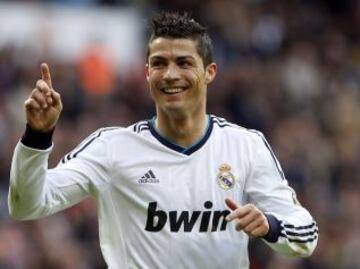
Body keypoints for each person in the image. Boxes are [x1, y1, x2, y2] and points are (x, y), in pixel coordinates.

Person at [8, 11, 318, 269]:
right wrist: (37, 136)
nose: (170, 74)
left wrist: (271, 225)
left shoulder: (245, 146)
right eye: (159, 63)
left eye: (184, 63)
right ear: (146, 72)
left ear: (209, 72)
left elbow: (306, 234)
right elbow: (28, 205)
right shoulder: (111, 149)